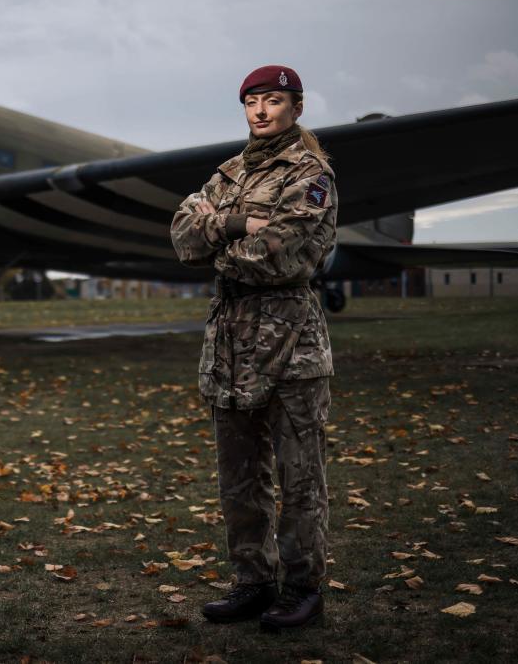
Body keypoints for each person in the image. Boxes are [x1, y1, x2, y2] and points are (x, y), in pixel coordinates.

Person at [169, 65, 337, 632]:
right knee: (239, 480)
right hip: (230, 349)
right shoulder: (230, 172)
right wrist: (239, 220)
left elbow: (278, 255)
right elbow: (180, 234)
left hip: (291, 345)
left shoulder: (310, 174)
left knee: (299, 479)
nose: (261, 111)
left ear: (296, 107)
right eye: (252, 102)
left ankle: (302, 590)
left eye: (273, 100)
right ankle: (253, 582)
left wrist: (216, 236)